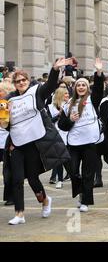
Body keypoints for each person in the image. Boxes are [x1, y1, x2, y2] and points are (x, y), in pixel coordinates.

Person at [6, 58, 71, 225]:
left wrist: (55, 69)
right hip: (16, 144)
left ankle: (45, 200)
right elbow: (6, 123)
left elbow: (49, 86)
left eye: (23, 80)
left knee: (33, 178)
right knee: (17, 179)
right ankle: (19, 214)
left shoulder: (36, 92)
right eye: (17, 81)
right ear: (14, 84)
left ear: (28, 81)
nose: (21, 83)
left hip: (35, 143)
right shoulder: (8, 100)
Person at [58, 58, 104, 213]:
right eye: (79, 85)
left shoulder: (93, 100)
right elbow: (61, 126)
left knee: (88, 173)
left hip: (90, 142)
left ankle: (85, 200)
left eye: (84, 84)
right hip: (74, 143)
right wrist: (70, 120)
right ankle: (81, 191)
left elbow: (98, 88)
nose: (81, 87)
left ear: (87, 87)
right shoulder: (68, 104)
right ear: (75, 88)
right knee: (72, 170)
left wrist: (98, 72)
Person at [47, 87, 70, 189]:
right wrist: (58, 115)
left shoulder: (70, 105)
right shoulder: (50, 107)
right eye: (65, 94)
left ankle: (74, 176)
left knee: (69, 159)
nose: (68, 96)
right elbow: (48, 122)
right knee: (59, 159)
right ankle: (59, 180)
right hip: (56, 135)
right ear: (60, 95)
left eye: (68, 94)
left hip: (69, 135)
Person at [0, 81, 15, 206]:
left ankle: (11, 196)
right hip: (5, 141)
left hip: (8, 141)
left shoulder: (6, 104)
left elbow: (5, 124)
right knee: (8, 171)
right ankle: (10, 197)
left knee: (8, 171)